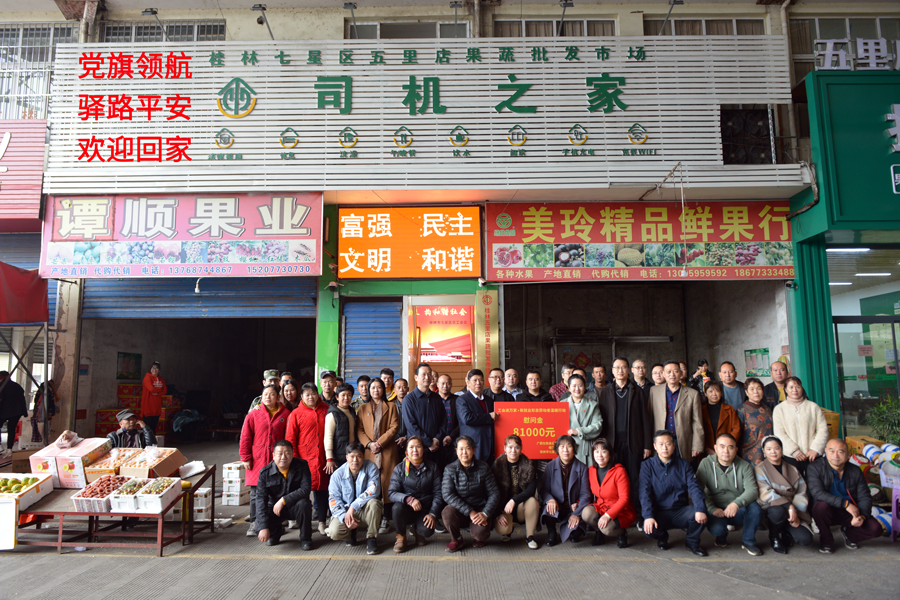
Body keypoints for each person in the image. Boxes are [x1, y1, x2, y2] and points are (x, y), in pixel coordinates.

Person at [598, 357, 652, 518]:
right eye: (617, 368)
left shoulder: (637, 391)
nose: (620, 371)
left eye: (623, 367)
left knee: (635, 478)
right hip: (612, 444)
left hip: (633, 443)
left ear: (629, 370)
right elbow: (602, 419)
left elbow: (645, 419)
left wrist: (647, 445)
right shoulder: (606, 392)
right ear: (612, 371)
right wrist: (602, 445)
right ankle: (618, 514)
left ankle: (638, 514)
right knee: (615, 479)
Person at [807, 438, 883, 554]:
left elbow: (865, 497)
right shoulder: (815, 468)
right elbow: (818, 493)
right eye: (832, 451)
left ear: (848, 454)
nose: (835, 455)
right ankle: (826, 540)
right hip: (828, 510)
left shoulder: (855, 471)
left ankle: (849, 533)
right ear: (826, 451)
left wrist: (862, 516)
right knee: (820, 507)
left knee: (875, 529)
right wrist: (845, 504)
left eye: (840, 451)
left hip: (851, 512)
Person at [640, 430, 709, 556]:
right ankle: (662, 537)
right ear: (655, 446)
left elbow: (694, 487)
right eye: (661, 444)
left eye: (668, 444)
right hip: (659, 511)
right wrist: (648, 516)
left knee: (700, 513)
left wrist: (700, 509)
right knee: (649, 528)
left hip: (680, 511)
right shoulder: (647, 466)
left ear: (673, 445)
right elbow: (644, 492)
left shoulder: (684, 464)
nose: (664, 448)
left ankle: (692, 542)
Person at [696, 433, 762, 555]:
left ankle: (748, 542)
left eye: (730, 447)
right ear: (715, 448)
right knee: (717, 529)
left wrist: (736, 504)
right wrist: (711, 508)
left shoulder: (744, 466)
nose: (726, 451)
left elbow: (752, 490)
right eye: (722, 446)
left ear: (736, 449)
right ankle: (721, 536)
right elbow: (697, 490)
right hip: (716, 509)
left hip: (737, 509)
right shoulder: (706, 463)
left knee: (755, 509)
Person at [240, 384, 290, 536]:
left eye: (272, 394)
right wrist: (246, 457)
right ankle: (255, 522)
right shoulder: (253, 414)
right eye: (265, 394)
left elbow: (288, 437)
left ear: (278, 396)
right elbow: (245, 437)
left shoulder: (285, 414)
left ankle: (276, 523)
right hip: (258, 459)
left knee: (277, 491)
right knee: (256, 493)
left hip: (278, 460)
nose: (268, 397)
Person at [357, 377, 401, 535]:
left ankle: (386, 518)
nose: (376, 390)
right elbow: (359, 430)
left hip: (387, 450)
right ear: (369, 390)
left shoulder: (392, 406)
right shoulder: (362, 408)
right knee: (371, 484)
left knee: (387, 484)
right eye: (373, 388)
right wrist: (369, 444)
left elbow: (394, 427)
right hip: (370, 452)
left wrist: (379, 443)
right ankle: (371, 517)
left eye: (379, 387)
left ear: (384, 389)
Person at [441, 435, 501, 552]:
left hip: (479, 509)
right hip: (460, 510)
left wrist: (485, 513)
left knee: (480, 534)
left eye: (467, 448)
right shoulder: (450, 469)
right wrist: (469, 511)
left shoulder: (483, 467)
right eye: (461, 449)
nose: (464, 452)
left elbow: (494, 493)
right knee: (447, 512)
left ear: (473, 450)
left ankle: (478, 537)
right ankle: (456, 539)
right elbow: (447, 494)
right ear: (456, 451)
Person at [755, 436, 813, 553]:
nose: (773, 452)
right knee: (777, 512)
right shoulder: (760, 469)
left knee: (805, 538)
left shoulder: (793, 469)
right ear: (764, 451)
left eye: (776, 448)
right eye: (769, 449)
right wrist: (788, 506)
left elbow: (801, 492)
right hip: (771, 508)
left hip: (793, 510)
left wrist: (796, 512)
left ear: (782, 450)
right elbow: (765, 493)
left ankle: (786, 533)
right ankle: (774, 536)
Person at [285, 382, 330, 535]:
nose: (311, 397)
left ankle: (322, 522)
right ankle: (305, 523)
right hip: (304, 460)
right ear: (302, 396)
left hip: (323, 458)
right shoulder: (296, 414)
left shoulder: (327, 410)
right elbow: (291, 439)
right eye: (307, 394)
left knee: (322, 490)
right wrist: (295, 461)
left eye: (313, 393)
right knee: (303, 493)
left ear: (318, 394)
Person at [388, 435, 443, 553]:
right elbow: (392, 493)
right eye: (411, 447)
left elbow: (438, 493)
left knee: (427, 531)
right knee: (397, 508)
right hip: (406, 508)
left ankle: (418, 531)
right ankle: (401, 536)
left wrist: (432, 513)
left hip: (424, 508)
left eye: (418, 446)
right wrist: (409, 500)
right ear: (406, 452)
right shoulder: (400, 468)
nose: (415, 450)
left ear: (423, 449)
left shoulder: (432, 467)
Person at [326, 441, 383, 555]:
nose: (355, 460)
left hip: (364, 511)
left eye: (359, 456)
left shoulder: (371, 467)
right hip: (346, 512)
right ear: (347, 457)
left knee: (374, 503)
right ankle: (350, 532)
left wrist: (353, 506)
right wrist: (344, 517)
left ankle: (371, 537)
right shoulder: (337, 475)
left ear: (364, 457)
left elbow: (373, 490)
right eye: (352, 456)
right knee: (334, 532)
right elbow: (333, 500)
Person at [255, 440, 314, 550]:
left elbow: (305, 489)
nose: (283, 457)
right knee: (262, 515)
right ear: (273, 456)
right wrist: (263, 527)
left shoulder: (302, 466)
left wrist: (283, 500)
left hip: (295, 506)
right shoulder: (265, 473)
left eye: (287, 453)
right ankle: (275, 532)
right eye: (280, 454)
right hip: (275, 509)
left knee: (304, 504)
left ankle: (306, 538)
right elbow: (260, 500)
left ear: (292, 455)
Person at [583, 438, 637, 548]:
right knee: (586, 514)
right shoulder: (591, 470)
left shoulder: (619, 471)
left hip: (620, 510)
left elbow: (624, 499)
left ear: (610, 454)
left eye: (604, 451)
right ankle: (599, 533)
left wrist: (608, 516)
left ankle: (622, 533)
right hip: (601, 506)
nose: (600, 455)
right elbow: (586, 493)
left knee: (606, 529)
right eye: (596, 451)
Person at [540, 434, 592, 546]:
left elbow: (586, 494)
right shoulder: (550, 466)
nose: (565, 450)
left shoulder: (582, 467)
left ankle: (575, 530)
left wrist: (576, 513)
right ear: (557, 449)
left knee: (574, 536)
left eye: (569, 446)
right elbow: (544, 490)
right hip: (557, 507)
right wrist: (550, 500)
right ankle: (552, 533)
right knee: (548, 506)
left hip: (574, 507)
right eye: (562, 446)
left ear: (574, 449)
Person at [772, 376, 828, 477]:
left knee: (815, 482)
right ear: (786, 390)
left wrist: (815, 449)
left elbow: (823, 429)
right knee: (795, 483)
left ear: (802, 388)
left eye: (798, 387)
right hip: (791, 456)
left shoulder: (813, 407)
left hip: (812, 455)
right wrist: (794, 451)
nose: (795, 390)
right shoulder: (779, 409)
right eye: (791, 387)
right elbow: (779, 433)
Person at [649, 361, 704, 461]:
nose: (672, 374)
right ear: (664, 374)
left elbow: (697, 422)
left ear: (681, 373)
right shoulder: (654, 391)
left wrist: (697, 445)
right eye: (668, 371)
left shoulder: (693, 394)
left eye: (675, 371)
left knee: (683, 468)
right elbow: (650, 418)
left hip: (683, 441)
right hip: (661, 441)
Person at [492, 434, 540, 549]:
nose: (513, 450)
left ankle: (530, 536)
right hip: (504, 508)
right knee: (503, 530)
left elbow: (530, 490)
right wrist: (498, 513)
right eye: (510, 447)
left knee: (533, 501)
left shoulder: (528, 465)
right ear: (504, 448)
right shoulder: (497, 466)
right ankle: (508, 531)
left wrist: (513, 500)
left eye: (517, 447)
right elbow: (491, 492)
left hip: (520, 507)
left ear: (521, 448)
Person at [403, 364, 446, 465]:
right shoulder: (409, 399)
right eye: (423, 374)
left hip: (437, 448)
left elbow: (444, 421)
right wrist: (429, 442)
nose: (427, 377)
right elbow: (411, 426)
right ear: (416, 377)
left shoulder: (437, 398)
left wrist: (437, 439)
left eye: (429, 374)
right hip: (418, 450)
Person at [456, 369, 499, 463]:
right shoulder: (462, 400)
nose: (478, 383)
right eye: (475, 380)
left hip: (490, 444)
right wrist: (488, 417)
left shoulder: (489, 400)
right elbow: (467, 418)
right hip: (473, 445)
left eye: (480, 380)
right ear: (468, 382)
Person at [565, 374, 603, 466]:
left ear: (585, 387)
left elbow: (597, 426)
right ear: (569, 388)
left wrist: (579, 431)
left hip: (585, 448)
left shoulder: (592, 405)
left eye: (580, 385)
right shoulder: (562, 404)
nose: (577, 389)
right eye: (574, 386)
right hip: (566, 448)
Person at [739, 378, 773, 465]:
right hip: (749, 454)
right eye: (752, 389)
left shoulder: (767, 409)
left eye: (758, 388)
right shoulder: (742, 410)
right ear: (746, 392)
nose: (756, 392)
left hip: (769, 453)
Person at [701, 382, 741, 456]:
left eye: (717, 390)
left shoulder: (729, 409)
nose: (714, 394)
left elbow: (736, 429)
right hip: (707, 450)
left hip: (727, 450)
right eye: (710, 391)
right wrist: (706, 448)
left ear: (721, 393)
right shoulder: (700, 410)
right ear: (705, 394)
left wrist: (727, 445)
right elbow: (698, 431)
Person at [324, 383, 357, 474]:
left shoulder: (352, 411)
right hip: (337, 458)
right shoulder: (332, 414)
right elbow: (328, 437)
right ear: (337, 397)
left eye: (349, 395)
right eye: (343, 395)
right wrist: (329, 458)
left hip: (351, 455)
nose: (346, 398)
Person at [437, 374, 460, 470]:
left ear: (451, 385)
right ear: (437, 384)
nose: (445, 386)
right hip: (436, 443)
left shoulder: (458, 400)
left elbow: (461, 422)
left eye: (448, 383)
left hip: (454, 441)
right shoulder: (433, 400)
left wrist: (451, 436)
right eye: (442, 383)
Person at [0, 371, 26, 452]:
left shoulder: (1, 386)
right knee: (11, 429)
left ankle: (0, 446)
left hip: (3, 411)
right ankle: (9, 448)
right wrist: (24, 411)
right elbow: (22, 399)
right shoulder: (17, 386)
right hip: (16, 412)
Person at [140, 361, 167, 434]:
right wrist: (160, 389)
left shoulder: (161, 379)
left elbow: (165, 390)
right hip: (148, 408)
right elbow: (151, 389)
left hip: (157, 408)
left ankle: (153, 441)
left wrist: (157, 393)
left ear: (159, 370)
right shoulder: (147, 378)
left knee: (154, 429)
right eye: (153, 368)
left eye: (157, 368)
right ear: (150, 369)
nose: (154, 370)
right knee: (147, 430)